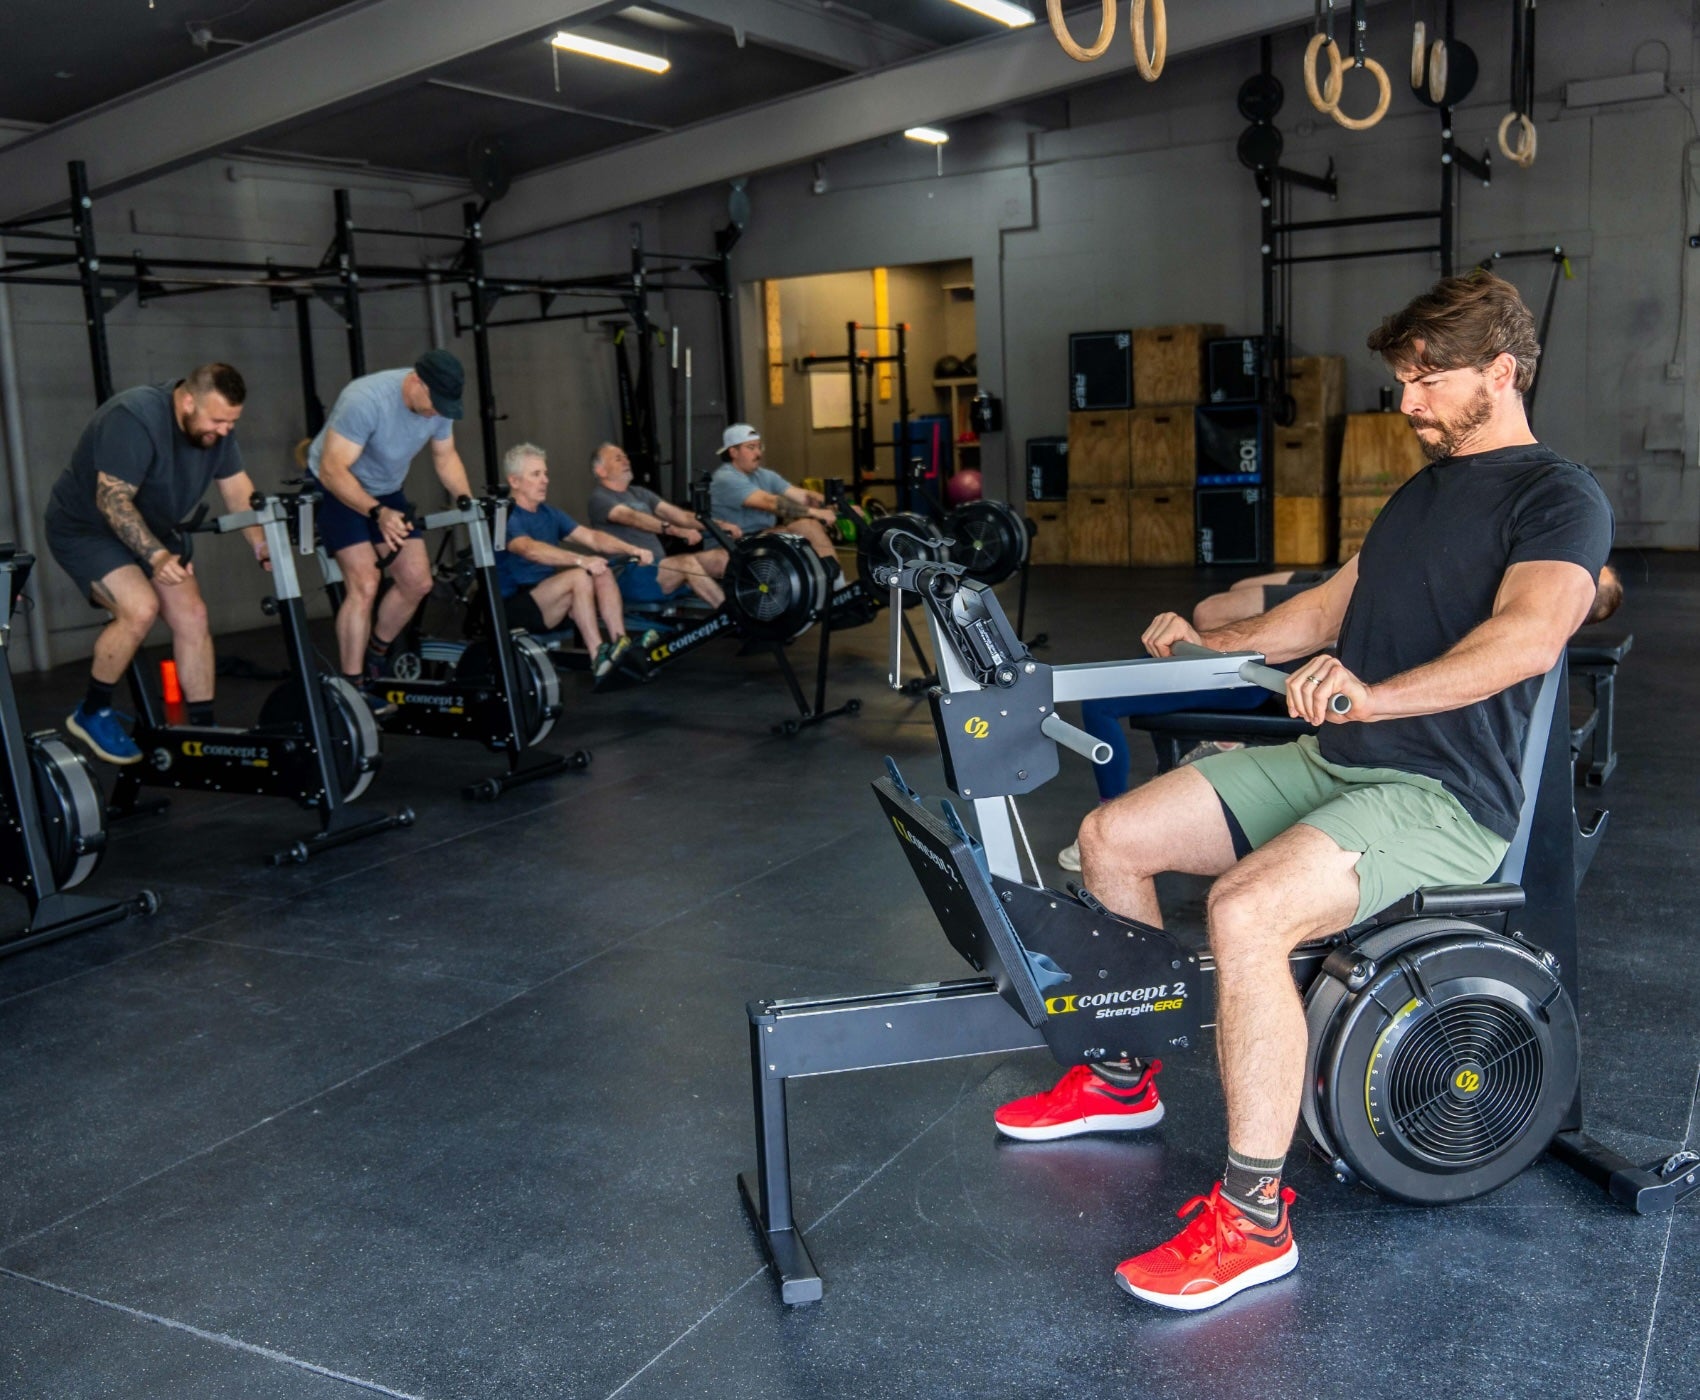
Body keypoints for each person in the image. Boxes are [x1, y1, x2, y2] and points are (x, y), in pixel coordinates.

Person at [996, 272, 1613, 1312]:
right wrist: (1206, 643)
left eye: (1426, 379)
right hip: (1336, 762)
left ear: (1500, 371)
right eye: (1400, 379)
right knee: (1112, 835)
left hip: (1440, 797)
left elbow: (1526, 637)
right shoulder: (1421, 491)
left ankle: (1251, 1219)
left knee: (1244, 908)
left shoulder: (1555, 494)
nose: (1406, 401)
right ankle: (1119, 1075)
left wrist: (1374, 696)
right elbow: (1323, 608)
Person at [45, 364, 269, 764]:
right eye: (217, 420)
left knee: (193, 614)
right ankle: (92, 711)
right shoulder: (133, 416)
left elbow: (236, 488)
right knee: (140, 608)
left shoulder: (217, 431)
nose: (223, 430)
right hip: (87, 529)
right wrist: (156, 556)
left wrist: (260, 543)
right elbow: (112, 500)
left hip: (151, 526)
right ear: (186, 401)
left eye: (231, 422)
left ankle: (200, 731)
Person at [305, 350, 475, 707]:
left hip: (386, 489)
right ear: (416, 380)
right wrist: (377, 511)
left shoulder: (438, 405)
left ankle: (376, 655)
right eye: (433, 404)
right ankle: (353, 687)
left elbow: (445, 457)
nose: (435, 413)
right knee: (365, 583)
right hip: (336, 486)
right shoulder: (366, 399)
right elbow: (333, 471)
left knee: (418, 581)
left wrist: (467, 501)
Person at [496, 443, 656, 682]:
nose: (545, 480)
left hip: (548, 601)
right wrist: (581, 560)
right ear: (515, 481)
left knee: (602, 569)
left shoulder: (549, 513)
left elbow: (592, 537)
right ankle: (597, 657)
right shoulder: (505, 515)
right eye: (536, 474)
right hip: (514, 607)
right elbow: (528, 549)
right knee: (580, 575)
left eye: (545, 473)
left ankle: (620, 643)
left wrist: (631, 548)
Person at [1194, 563, 1621, 632]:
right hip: (1348, 571)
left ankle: (1229, 737)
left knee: (1209, 613)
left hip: (1355, 596)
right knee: (1236, 592)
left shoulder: (1516, 609)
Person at [586, 442, 731, 610]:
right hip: (630, 574)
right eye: (618, 459)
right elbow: (632, 517)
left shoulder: (639, 493)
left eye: (626, 457)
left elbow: (680, 516)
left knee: (722, 557)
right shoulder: (599, 498)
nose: (626, 461)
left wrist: (720, 525)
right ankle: (735, 618)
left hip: (660, 568)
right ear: (601, 471)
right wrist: (675, 530)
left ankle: (754, 610)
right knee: (686, 563)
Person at [708, 424, 847, 581]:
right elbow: (769, 502)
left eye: (759, 447)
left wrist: (841, 506)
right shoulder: (725, 478)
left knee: (808, 525)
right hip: (732, 546)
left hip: (762, 537)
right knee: (786, 537)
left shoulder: (765, 475)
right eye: (751, 448)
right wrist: (815, 512)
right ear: (733, 452)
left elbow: (804, 496)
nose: (758, 453)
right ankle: (811, 587)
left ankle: (836, 584)